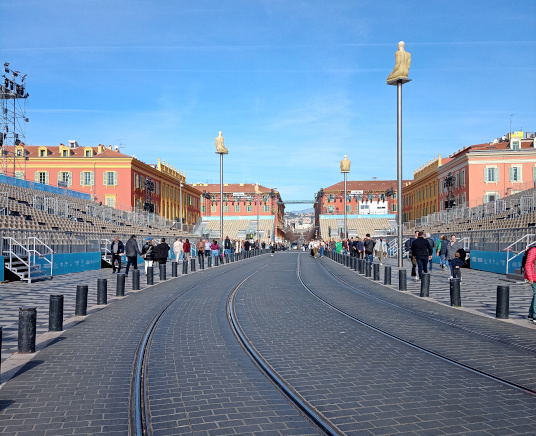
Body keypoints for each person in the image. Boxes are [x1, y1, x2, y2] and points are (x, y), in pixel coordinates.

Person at [523, 246, 536, 323]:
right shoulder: (534, 250)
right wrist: (530, 278)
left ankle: (531, 314)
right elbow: (527, 265)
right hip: (534, 277)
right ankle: (535, 315)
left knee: (535, 295)